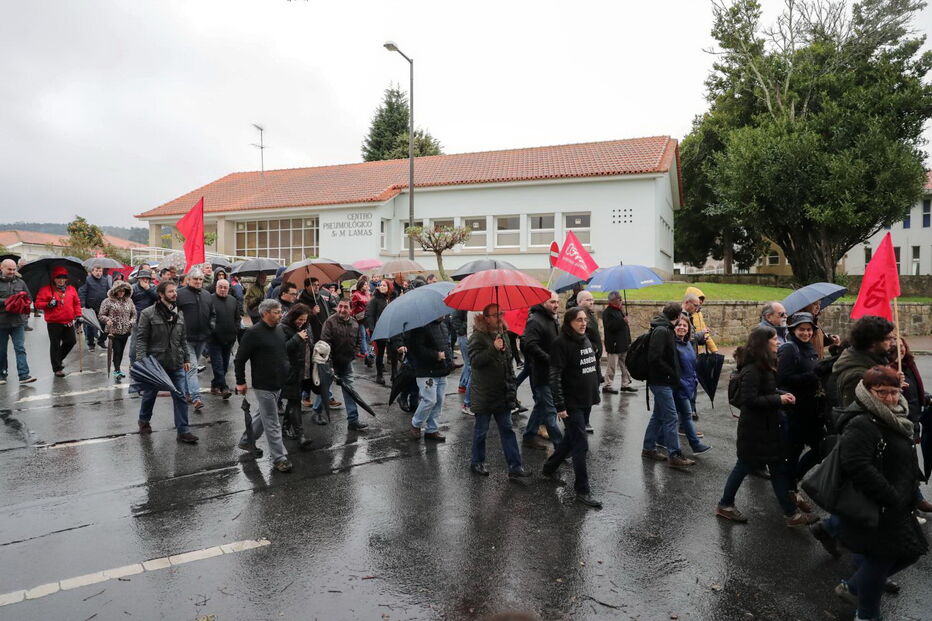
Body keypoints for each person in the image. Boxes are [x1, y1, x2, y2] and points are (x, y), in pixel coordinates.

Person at [832, 366, 928, 620]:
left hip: (899, 502)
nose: (889, 398)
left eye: (894, 391)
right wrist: (890, 496)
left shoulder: (896, 415)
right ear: (867, 391)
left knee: (909, 551)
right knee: (881, 560)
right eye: (881, 392)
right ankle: (866, 614)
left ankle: (853, 587)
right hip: (880, 504)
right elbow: (856, 465)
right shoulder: (862, 422)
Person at [715, 326, 817, 526]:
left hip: (769, 429)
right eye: (773, 339)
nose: (778, 341)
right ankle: (725, 505)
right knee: (743, 466)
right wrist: (779, 400)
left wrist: (780, 393)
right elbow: (749, 400)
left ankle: (791, 515)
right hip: (755, 431)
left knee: (777, 470)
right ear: (764, 342)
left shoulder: (764, 365)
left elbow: (766, 390)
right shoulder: (753, 369)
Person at [540, 307, 602, 508]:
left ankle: (549, 468)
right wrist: (560, 404)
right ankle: (582, 490)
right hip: (571, 402)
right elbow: (554, 375)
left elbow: (591, 367)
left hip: (586, 400)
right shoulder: (561, 343)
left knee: (570, 439)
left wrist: (596, 391)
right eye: (578, 320)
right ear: (569, 323)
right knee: (580, 445)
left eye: (585, 319)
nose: (583, 323)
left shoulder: (585, 338)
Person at [468, 304, 529, 478]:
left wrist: (511, 387)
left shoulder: (504, 334)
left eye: (501, 314)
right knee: (481, 431)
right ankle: (477, 462)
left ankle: (515, 467)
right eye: (495, 315)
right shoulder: (478, 337)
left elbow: (508, 363)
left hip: (502, 392)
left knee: (508, 429)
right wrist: (493, 349)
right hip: (485, 393)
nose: (499, 317)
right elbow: (475, 362)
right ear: (486, 318)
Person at [135, 281, 198, 444]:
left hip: (175, 362)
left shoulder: (179, 314)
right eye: (170, 292)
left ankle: (183, 431)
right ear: (161, 294)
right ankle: (144, 420)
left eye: (175, 291)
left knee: (181, 396)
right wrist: (143, 361)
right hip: (155, 363)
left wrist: (186, 359)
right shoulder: (148, 313)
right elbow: (141, 339)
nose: (174, 294)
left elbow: (183, 339)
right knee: (150, 394)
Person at [234, 299, 292, 472]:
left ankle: (246, 441)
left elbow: (282, 353)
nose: (280, 314)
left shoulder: (280, 330)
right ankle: (279, 458)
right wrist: (240, 381)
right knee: (272, 421)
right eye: (276, 312)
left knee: (264, 414)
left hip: (278, 382)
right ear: (265, 313)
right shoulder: (253, 333)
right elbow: (239, 359)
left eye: (280, 311)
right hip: (263, 384)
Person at [777, 312, 826, 511]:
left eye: (808, 330)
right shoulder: (789, 348)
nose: (805, 333)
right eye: (801, 329)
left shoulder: (810, 347)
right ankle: (789, 489)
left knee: (821, 448)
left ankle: (794, 477)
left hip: (813, 410)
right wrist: (812, 376)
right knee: (794, 451)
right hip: (796, 410)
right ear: (793, 330)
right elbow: (782, 380)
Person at [641, 302, 696, 471]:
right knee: (671, 417)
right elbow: (654, 358)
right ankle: (675, 455)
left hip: (663, 380)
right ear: (678, 315)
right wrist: (672, 373)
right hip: (661, 381)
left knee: (658, 415)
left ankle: (648, 448)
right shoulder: (662, 330)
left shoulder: (664, 327)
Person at [890, 337, 932, 514]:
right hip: (900, 421)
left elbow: (915, 390)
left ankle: (915, 498)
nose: (900, 350)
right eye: (895, 347)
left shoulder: (909, 365)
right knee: (906, 463)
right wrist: (895, 385)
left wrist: (926, 396)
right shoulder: (889, 369)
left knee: (910, 461)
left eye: (902, 346)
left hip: (914, 419)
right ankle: (913, 500)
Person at [520, 292, 564, 450]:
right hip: (541, 373)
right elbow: (529, 345)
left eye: (557, 302)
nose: (556, 305)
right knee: (551, 411)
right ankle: (561, 448)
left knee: (540, 406)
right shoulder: (535, 320)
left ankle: (528, 436)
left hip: (553, 373)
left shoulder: (552, 319)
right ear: (543, 302)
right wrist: (549, 358)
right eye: (552, 302)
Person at [318, 298, 367, 431]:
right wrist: (330, 364)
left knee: (350, 391)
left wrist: (353, 354)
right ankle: (317, 413)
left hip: (346, 363)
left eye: (345, 307)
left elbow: (358, 342)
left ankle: (353, 420)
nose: (342, 310)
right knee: (324, 389)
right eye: (340, 306)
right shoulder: (330, 322)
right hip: (330, 363)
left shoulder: (355, 324)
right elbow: (325, 343)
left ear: (350, 310)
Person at [833, 316, 897, 408]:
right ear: (873, 342)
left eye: (893, 339)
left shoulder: (875, 362)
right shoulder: (857, 376)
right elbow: (855, 414)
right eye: (888, 339)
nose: (893, 343)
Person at [408, 315, 454, 442]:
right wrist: (435, 355)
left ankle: (432, 429)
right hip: (426, 371)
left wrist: (450, 363)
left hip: (441, 370)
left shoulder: (443, 325)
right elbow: (416, 348)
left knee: (439, 400)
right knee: (430, 400)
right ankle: (415, 424)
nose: (443, 314)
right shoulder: (420, 326)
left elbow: (446, 346)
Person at [175, 268, 215, 412]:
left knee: (190, 367)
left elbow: (212, 314)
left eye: (200, 279)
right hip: (186, 338)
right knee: (192, 368)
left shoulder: (206, 295)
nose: (198, 282)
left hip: (202, 337)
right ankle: (196, 398)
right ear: (188, 280)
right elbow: (173, 313)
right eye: (195, 279)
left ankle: (187, 393)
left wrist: (211, 326)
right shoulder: (180, 294)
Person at [673, 316, 712, 454]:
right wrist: (682, 383)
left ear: (688, 329)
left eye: (685, 326)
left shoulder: (688, 344)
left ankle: (655, 440)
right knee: (687, 414)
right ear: (674, 327)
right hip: (680, 387)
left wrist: (695, 379)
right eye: (679, 325)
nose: (682, 327)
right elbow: (674, 369)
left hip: (690, 385)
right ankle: (695, 445)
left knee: (660, 416)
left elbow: (692, 364)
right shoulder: (673, 345)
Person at [35, 266, 82, 377]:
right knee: (55, 345)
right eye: (58, 278)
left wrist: (78, 315)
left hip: (68, 321)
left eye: (63, 278)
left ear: (66, 279)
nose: (61, 280)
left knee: (71, 342)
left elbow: (76, 303)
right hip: (54, 322)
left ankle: (58, 359)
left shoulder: (71, 289)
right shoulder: (46, 289)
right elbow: (37, 304)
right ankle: (57, 368)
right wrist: (48, 304)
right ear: (54, 279)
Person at [280, 303, 314, 449]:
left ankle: (286, 428)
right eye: (299, 319)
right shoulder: (283, 328)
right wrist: (297, 338)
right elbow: (283, 349)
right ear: (293, 316)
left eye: (304, 320)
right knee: (294, 402)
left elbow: (308, 345)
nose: (302, 322)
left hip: (302, 370)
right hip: (290, 372)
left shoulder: (304, 328)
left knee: (294, 399)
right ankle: (301, 435)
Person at [0, 258, 34, 384]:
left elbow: (29, 298)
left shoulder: (21, 283)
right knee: (1, 350)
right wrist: (9, 301)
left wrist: (22, 302)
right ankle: (2, 374)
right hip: (1, 322)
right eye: (9, 269)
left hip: (18, 322)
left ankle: (24, 375)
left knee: (20, 348)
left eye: (14, 269)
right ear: (1, 268)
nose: (12, 272)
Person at [207, 278, 242, 399]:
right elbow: (206, 318)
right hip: (214, 339)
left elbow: (237, 317)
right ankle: (224, 387)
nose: (222, 289)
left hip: (229, 339)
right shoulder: (210, 299)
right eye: (220, 287)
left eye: (225, 287)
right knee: (218, 364)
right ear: (216, 287)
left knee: (225, 366)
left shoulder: (233, 300)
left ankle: (214, 384)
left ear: (228, 289)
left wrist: (235, 330)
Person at [575, 291, 603, 432]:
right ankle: (583, 421)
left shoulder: (590, 315)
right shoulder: (578, 318)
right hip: (585, 361)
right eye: (588, 300)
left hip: (594, 361)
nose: (591, 302)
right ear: (580, 302)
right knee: (585, 392)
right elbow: (581, 338)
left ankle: (585, 420)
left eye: (592, 299)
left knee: (593, 390)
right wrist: (593, 348)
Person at [97, 280, 136, 379]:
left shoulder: (129, 301)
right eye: (119, 291)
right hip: (113, 331)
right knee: (117, 351)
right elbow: (101, 315)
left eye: (123, 291)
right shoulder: (107, 301)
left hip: (126, 331)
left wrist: (131, 322)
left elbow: (134, 314)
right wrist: (107, 320)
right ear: (115, 291)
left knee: (121, 351)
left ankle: (117, 368)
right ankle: (117, 370)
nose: (122, 293)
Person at [601, 291, 633, 394]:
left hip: (623, 343)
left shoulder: (620, 310)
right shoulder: (607, 312)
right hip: (614, 344)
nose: (621, 300)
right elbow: (610, 327)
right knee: (612, 366)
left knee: (625, 365)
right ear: (613, 300)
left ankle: (625, 384)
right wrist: (623, 321)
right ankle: (607, 385)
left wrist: (628, 340)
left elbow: (624, 327)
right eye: (619, 299)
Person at [365, 279, 395, 385]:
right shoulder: (375, 299)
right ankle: (379, 375)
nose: (381, 287)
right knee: (380, 354)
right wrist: (373, 330)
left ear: (389, 287)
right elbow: (369, 315)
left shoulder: (392, 299)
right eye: (380, 285)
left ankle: (394, 375)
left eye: (384, 285)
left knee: (393, 353)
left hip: (391, 330)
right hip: (380, 330)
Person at [78, 265, 112, 351]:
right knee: (90, 327)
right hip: (90, 308)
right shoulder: (87, 280)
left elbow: (109, 292)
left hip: (102, 307)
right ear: (92, 271)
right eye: (96, 271)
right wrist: (82, 306)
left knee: (105, 326)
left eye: (100, 271)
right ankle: (91, 344)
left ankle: (101, 341)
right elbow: (82, 292)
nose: (98, 273)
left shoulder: (105, 280)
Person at [683, 287, 718, 352]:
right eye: (699, 298)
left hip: (696, 349)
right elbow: (690, 336)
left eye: (702, 300)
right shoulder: (683, 315)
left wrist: (713, 349)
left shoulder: (699, 314)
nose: (700, 301)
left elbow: (704, 332)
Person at [451, 309, 472, 414]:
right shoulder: (462, 305)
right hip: (464, 336)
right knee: (470, 365)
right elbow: (455, 320)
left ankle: (463, 384)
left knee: (468, 363)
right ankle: (467, 401)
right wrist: (464, 328)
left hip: (464, 335)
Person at [350, 277, 373, 366]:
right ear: (360, 286)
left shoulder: (368, 294)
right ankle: (365, 352)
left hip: (367, 317)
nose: (367, 285)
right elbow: (353, 307)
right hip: (360, 318)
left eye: (367, 284)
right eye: (365, 284)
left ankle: (365, 350)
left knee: (368, 335)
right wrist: (353, 316)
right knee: (362, 335)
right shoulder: (356, 294)